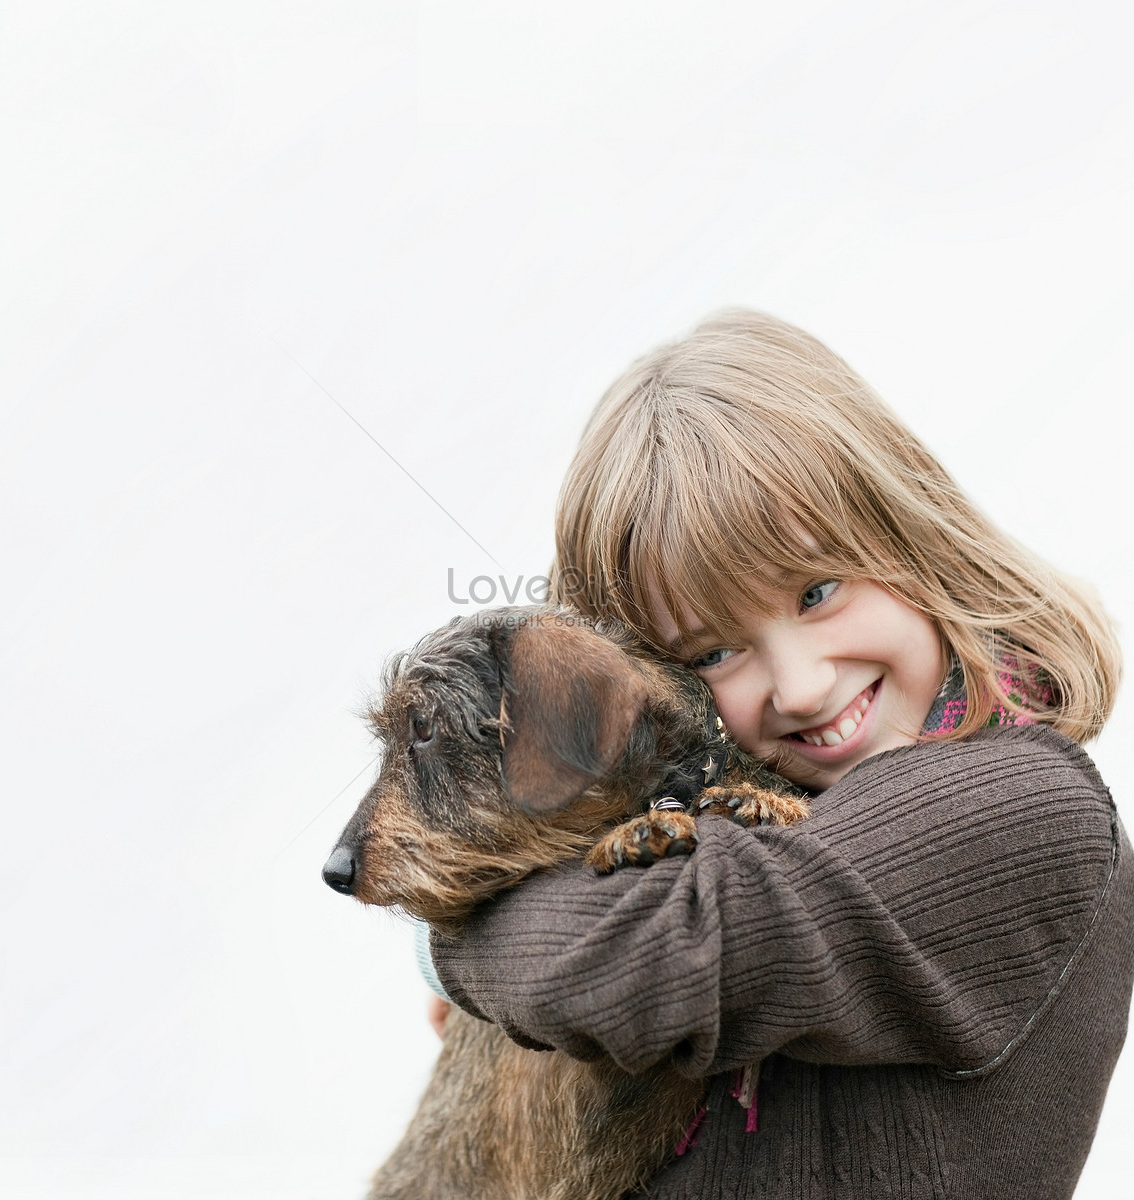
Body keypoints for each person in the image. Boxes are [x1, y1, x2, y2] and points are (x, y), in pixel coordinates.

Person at [425, 310, 1133, 1198]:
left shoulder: (1022, 805)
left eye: (819, 590)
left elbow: (636, 964)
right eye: (712, 651)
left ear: (916, 533)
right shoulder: (767, 819)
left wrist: (450, 936)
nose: (799, 686)